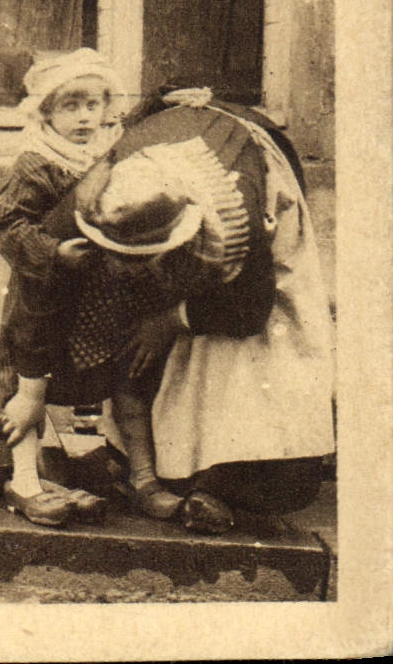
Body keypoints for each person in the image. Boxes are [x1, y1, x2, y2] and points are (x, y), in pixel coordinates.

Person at [50, 89, 335, 533]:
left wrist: (171, 320)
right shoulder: (99, 196)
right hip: (179, 150)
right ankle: (157, 469)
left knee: (248, 358)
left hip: (243, 179)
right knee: (144, 356)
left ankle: (217, 478)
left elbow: (250, 307)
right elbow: (39, 283)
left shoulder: (236, 217)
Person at [0, 48, 154, 524]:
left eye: (92, 105)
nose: (84, 117)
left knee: (90, 379)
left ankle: (81, 469)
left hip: (97, 292)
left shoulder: (108, 156)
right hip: (44, 292)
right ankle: (23, 477)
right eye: (70, 105)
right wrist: (51, 252)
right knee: (29, 380)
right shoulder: (36, 163)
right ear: (45, 111)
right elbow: (8, 228)